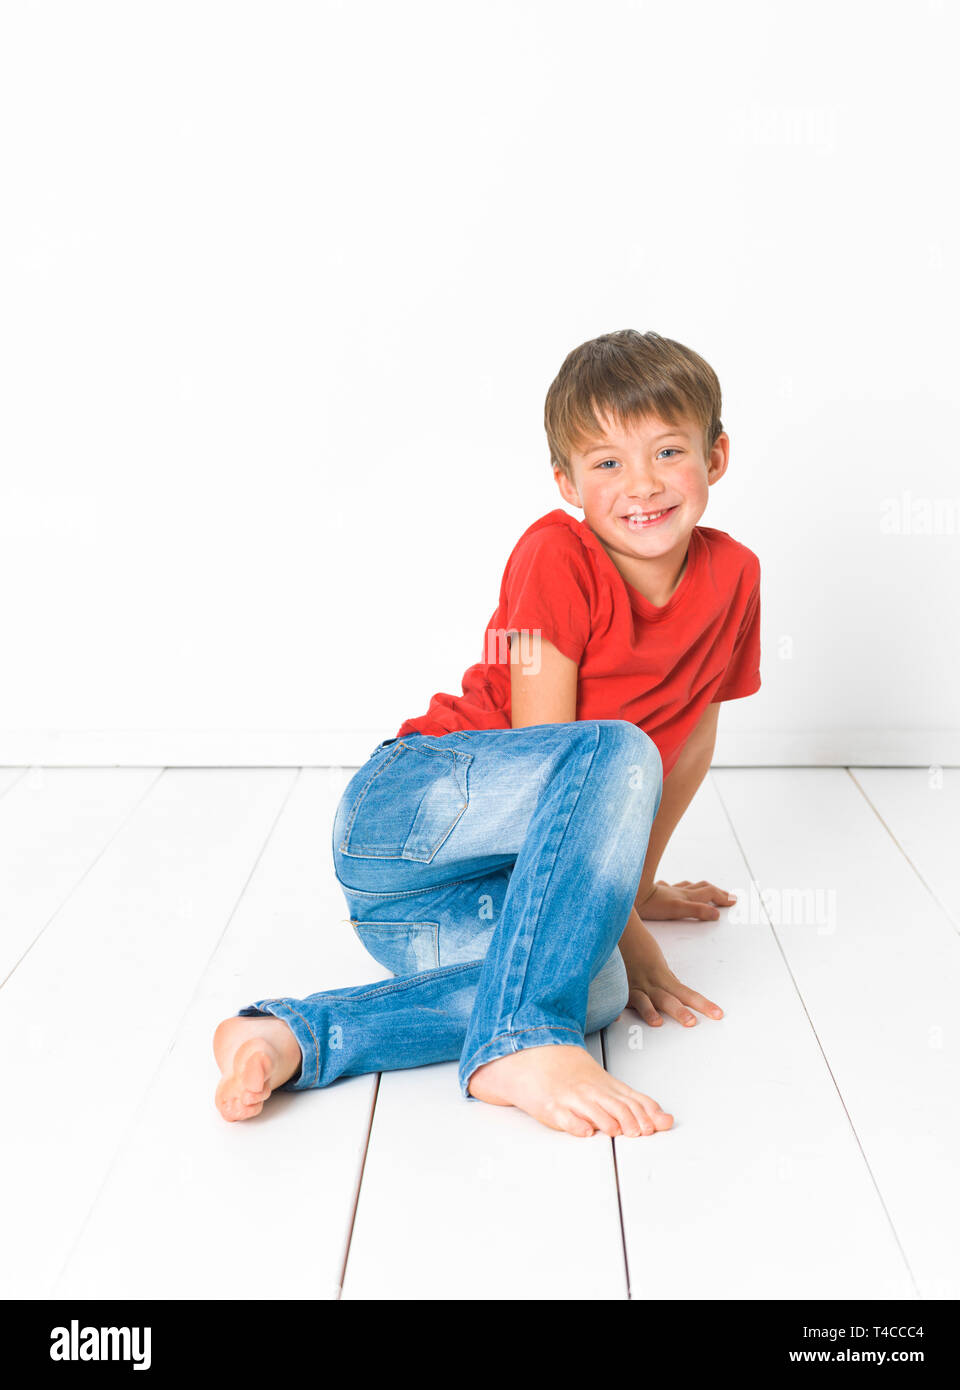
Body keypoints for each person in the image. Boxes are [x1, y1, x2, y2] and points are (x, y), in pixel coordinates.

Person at [213, 328, 761, 1139]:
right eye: (607, 462)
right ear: (566, 480)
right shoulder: (556, 553)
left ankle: (294, 1034)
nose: (641, 484)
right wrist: (622, 917)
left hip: (439, 913)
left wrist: (628, 895)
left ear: (716, 458)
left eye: (668, 452)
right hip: (408, 813)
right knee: (610, 745)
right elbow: (552, 760)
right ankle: (521, 1042)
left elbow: (691, 749)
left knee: (599, 990)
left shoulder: (735, 576)